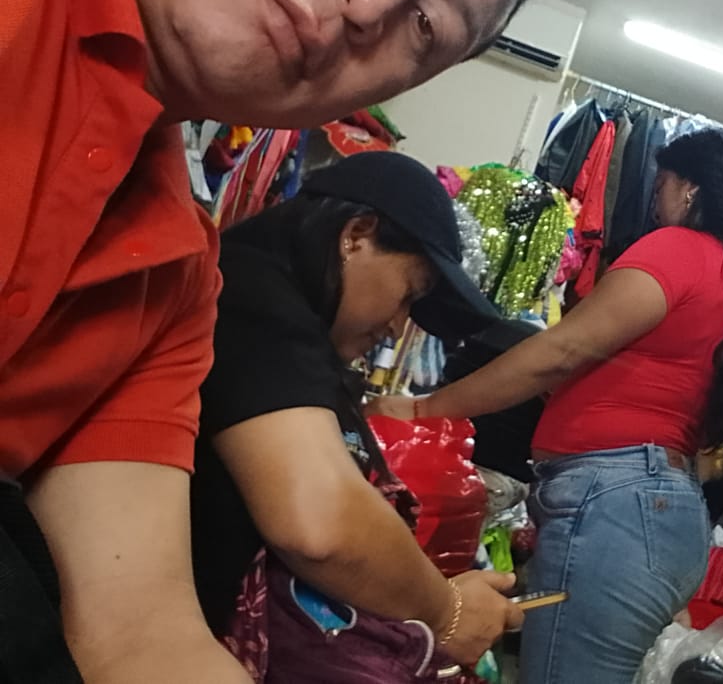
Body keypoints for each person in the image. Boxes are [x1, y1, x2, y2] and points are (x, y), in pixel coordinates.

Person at [0, 0, 556, 684]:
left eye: (427, 29)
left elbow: (140, 633)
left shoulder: (173, 281)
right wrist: (447, 609)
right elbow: (315, 520)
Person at [406, 129, 723, 683]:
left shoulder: (679, 249)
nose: (653, 200)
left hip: (619, 509)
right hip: (655, 509)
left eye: (661, 184)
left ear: (690, 190)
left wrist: (425, 411)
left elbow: (561, 351)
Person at [191, 152, 522, 677]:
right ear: (357, 236)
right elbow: (319, 523)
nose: (396, 327)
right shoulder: (253, 299)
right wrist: (447, 611)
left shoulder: (273, 304)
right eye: (407, 295)